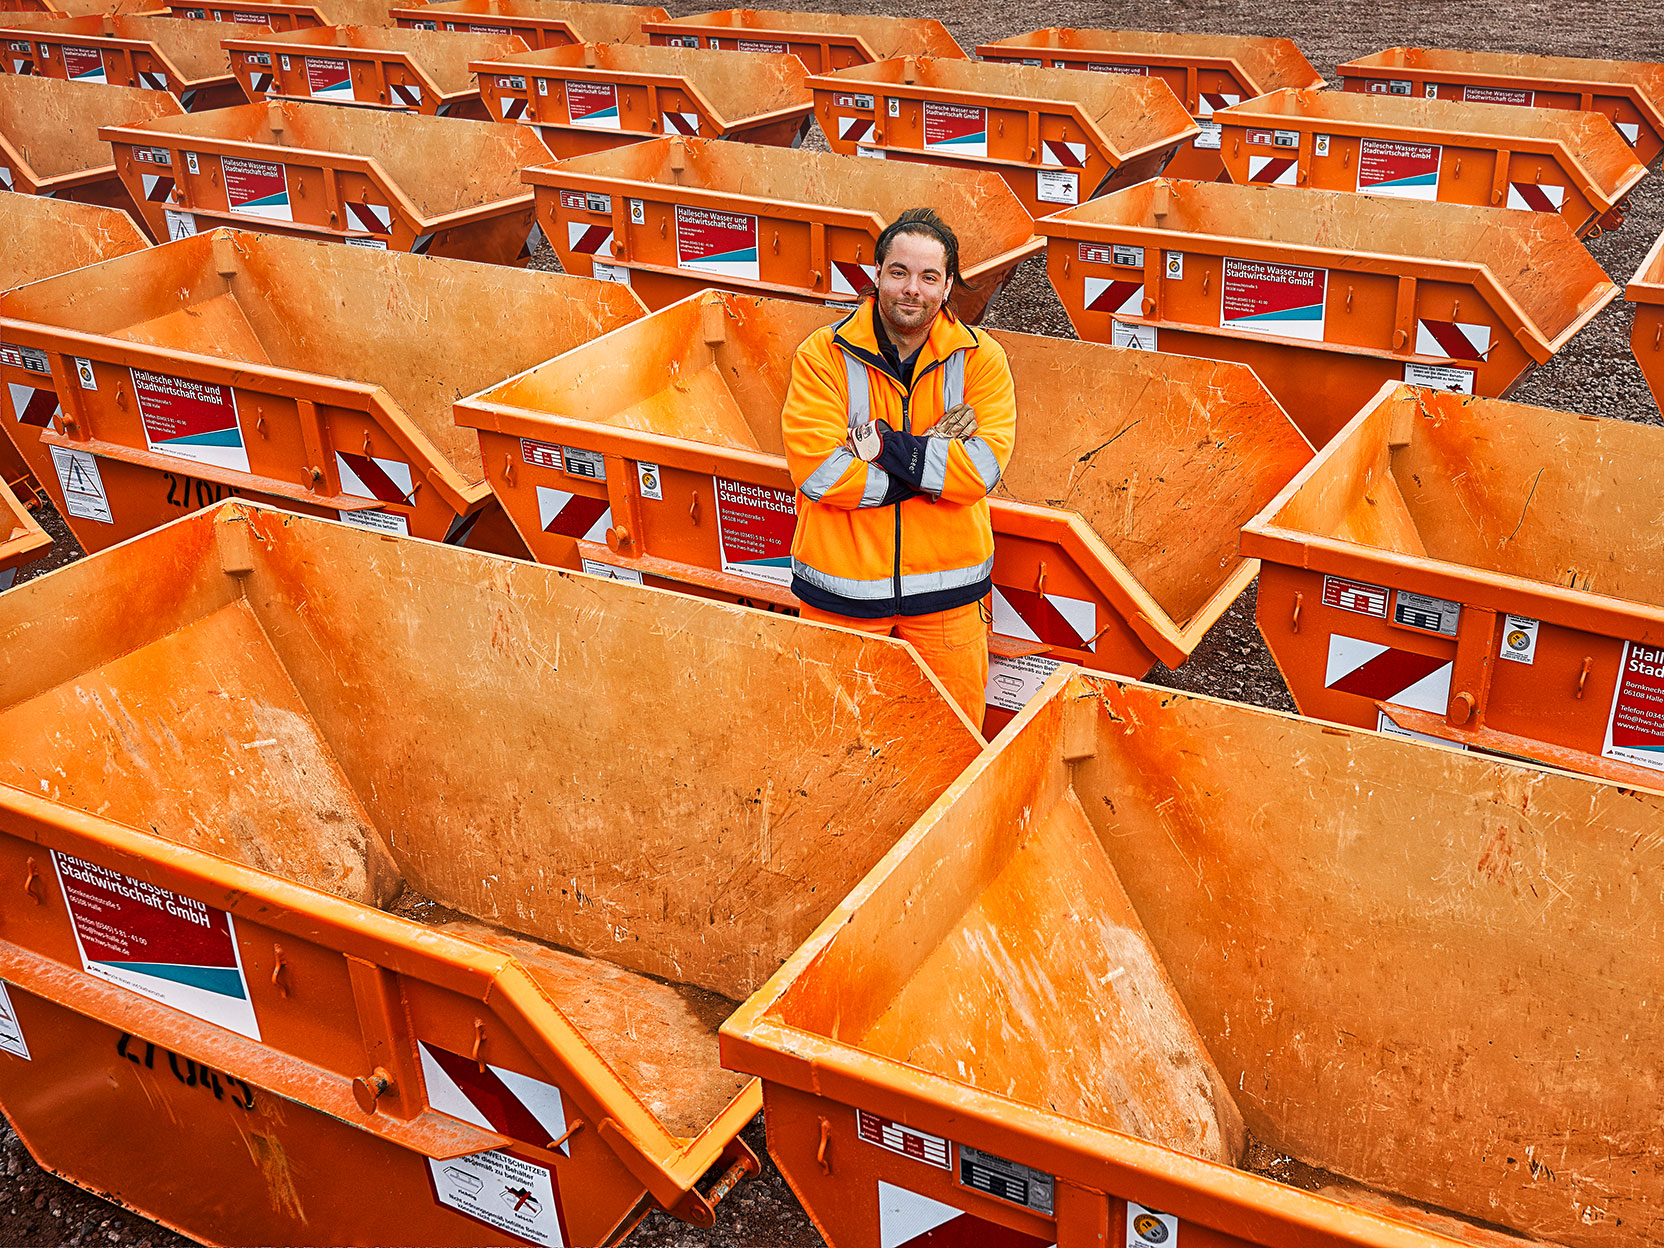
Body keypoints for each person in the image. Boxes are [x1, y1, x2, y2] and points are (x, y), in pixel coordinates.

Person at [780, 208, 1016, 731]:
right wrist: (931, 469)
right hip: (840, 598)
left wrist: (883, 445)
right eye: (899, 272)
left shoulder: (981, 360)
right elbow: (821, 471)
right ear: (877, 275)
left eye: (930, 276)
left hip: (948, 607)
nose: (913, 289)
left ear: (949, 285)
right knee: (831, 747)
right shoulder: (823, 356)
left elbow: (980, 470)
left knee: (953, 748)